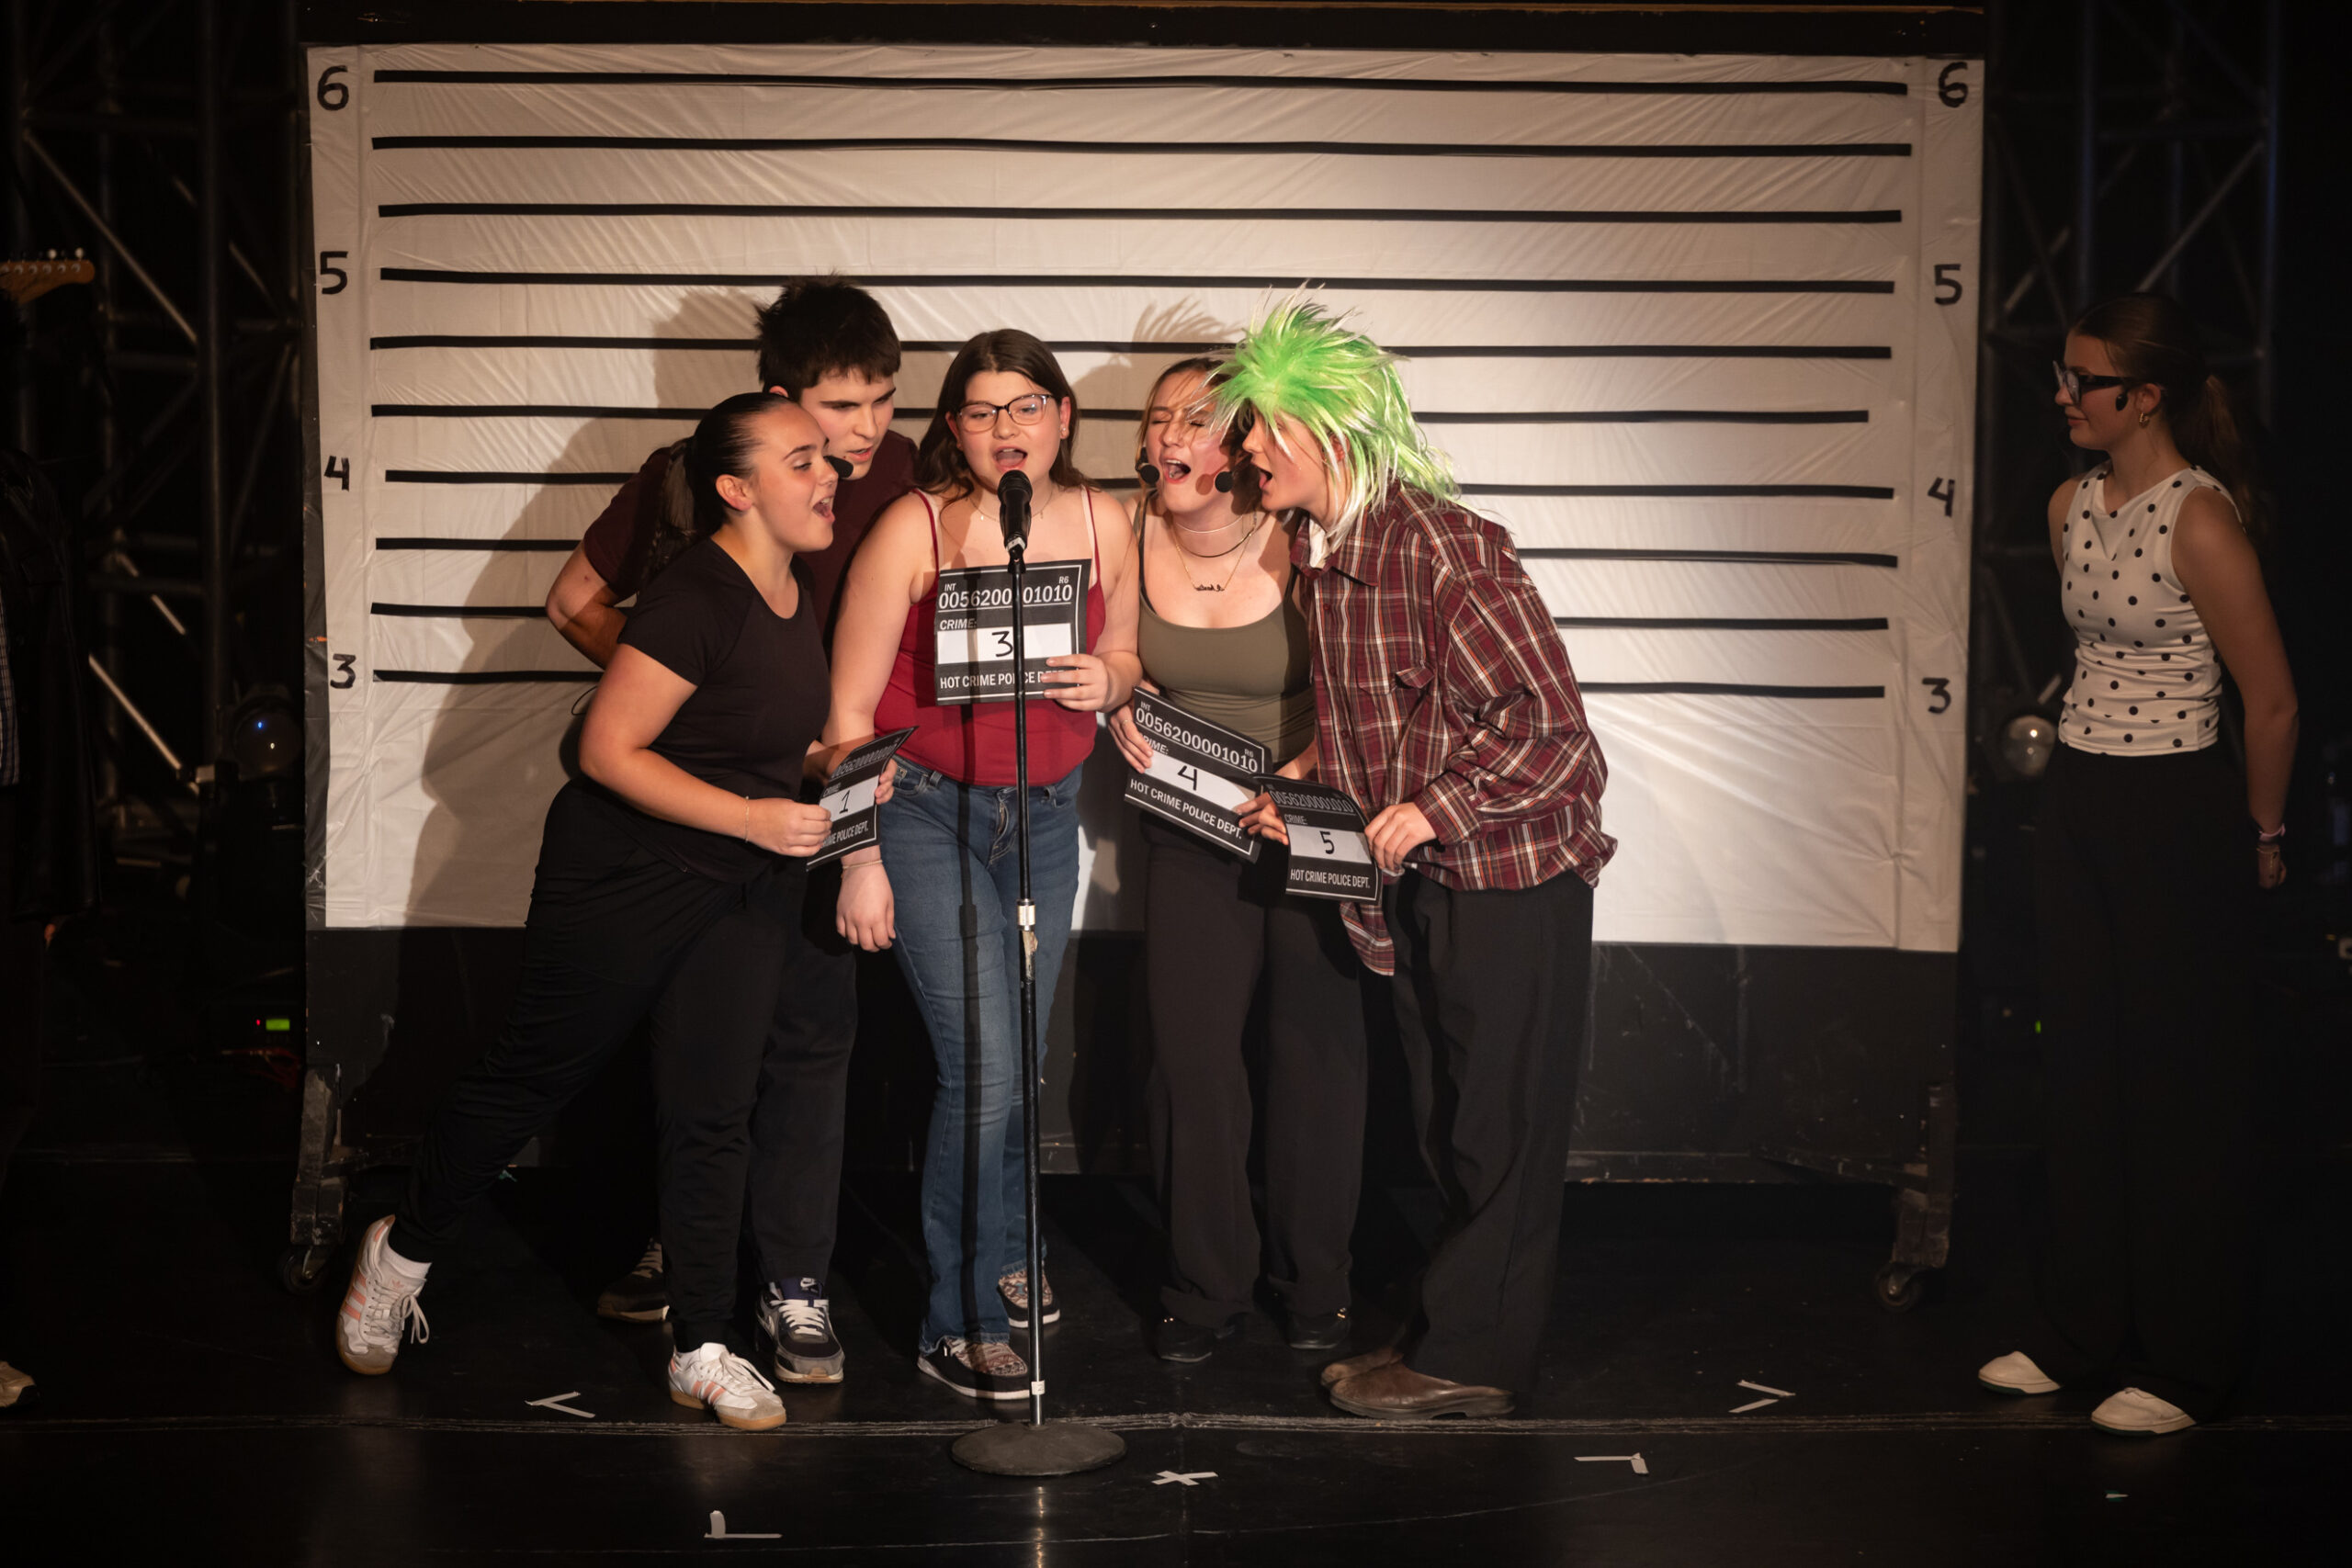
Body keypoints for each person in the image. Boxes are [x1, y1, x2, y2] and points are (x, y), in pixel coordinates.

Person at [337, 394, 876, 1432]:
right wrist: (757, 817)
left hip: (736, 884)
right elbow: (607, 751)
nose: (831, 474)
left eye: (827, 458)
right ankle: (398, 1253)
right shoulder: (694, 596)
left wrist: (829, 765)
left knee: (713, 1110)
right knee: (532, 1076)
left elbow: (743, 737)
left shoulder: (794, 583)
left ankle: (702, 1345)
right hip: (625, 877)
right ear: (736, 489)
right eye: (804, 459)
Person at [1218, 299, 1613, 1420]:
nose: (1246, 448)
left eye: (1265, 425)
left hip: (1512, 875)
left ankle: (1474, 1359)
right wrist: (1309, 784)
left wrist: (1433, 808)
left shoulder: (1438, 544)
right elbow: (1386, 715)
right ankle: (1452, 1330)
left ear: (1327, 429)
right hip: (1429, 881)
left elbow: (1551, 731)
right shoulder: (1323, 550)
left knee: (1496, 1127)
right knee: (1446, 1123)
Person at [545, 277, 911, 1384]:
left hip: (832, 801)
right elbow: (572, 601)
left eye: (884, 400)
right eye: (839, 410)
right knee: (699, 1051)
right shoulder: (691, 472)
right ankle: (687, 1252)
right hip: (707, 825)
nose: (864, 433)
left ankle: (795, 1285)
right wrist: (695, 694)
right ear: (779, 402)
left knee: (810, 1041)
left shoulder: (906, 476)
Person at [1975, 293, 2295, 1437]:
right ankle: (2080, 1330)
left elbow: (2271, 700)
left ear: (2145, 397)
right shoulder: (2070, 504)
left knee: (2175, 1089)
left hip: (2176, 807)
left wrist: (2263, 836)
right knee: (2081, 1072)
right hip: (2080, 797)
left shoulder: (2197, 519)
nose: (2064, 396)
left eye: (2086, 381)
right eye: (2064, 376)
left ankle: (2186, 1359)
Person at [826, 329, 1140, 1401]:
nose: (1006, 429)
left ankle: (1004, 1248)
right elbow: (846, 712)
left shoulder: (1101, 520)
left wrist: (1109, 678)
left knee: (1020, 1062)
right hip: (924, 811)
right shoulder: (912, 526)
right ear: (953, 428)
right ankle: (954, 1323)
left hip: (1044, 819)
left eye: (1026, 406)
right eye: (981, 410)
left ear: (1063, 416)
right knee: (986, 1070)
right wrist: (857, 857)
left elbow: (1127, 649)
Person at [1103, 359, 1374, 1363]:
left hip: (1311, 812)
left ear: (1243, 441)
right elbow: (1111, 655)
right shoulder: (1124, 532)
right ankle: (1203, 1285)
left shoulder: (1303, 530)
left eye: (1198, 418)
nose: (1171, 433)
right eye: (1158, 416)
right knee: (1193, 1061)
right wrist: (1120, 698)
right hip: (1193, 821)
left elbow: (1368, 676)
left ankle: (1316, 1285)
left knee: (1316, 1056)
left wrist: (1308, 769)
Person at [0, 448, 102, 1416]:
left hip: (7, 831)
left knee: (9, 1085)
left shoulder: (20, 493)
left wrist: (55, 868)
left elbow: (54, 692)